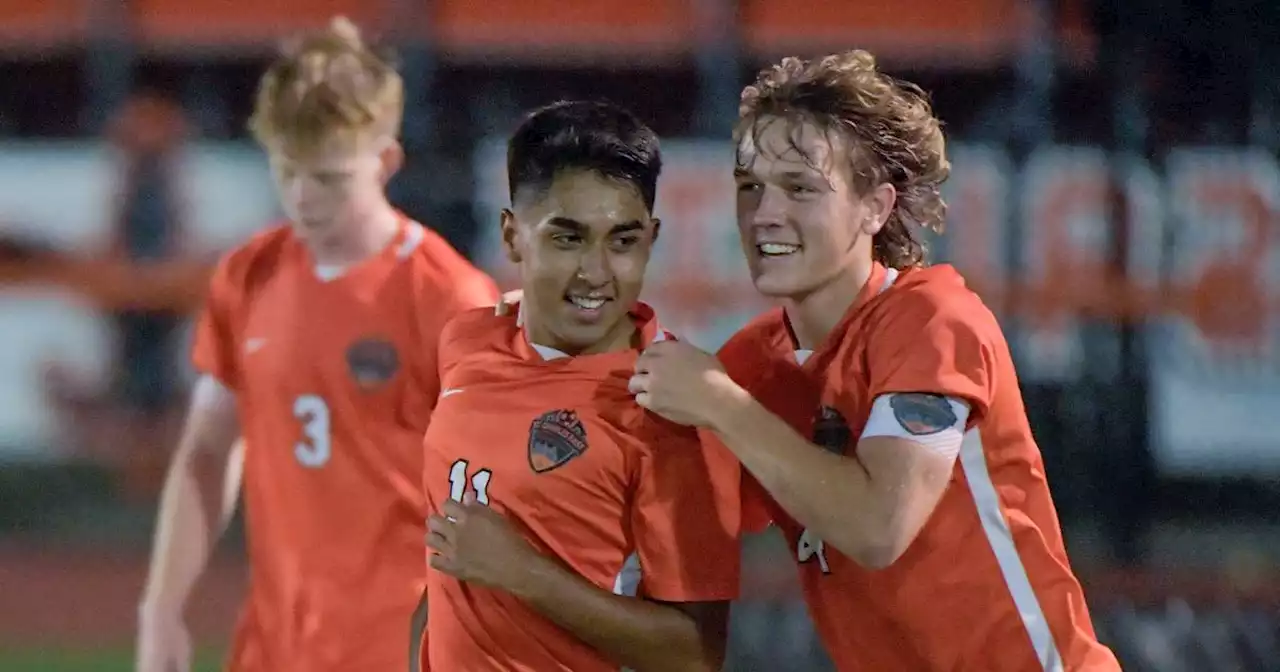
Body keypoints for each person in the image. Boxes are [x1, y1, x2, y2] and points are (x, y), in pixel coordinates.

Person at [627, 51, 1122, 670]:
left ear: (875, 207)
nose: (765, 213)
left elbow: (878, 527)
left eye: (800, 188)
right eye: (750, 186)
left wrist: (722, 404)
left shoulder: (933, 320)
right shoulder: (752, 364)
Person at [135, 17, 497, 672]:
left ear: (385, 160)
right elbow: (209, 449)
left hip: (401, 649)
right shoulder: (248, 277)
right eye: (288, 171)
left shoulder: (447, 297)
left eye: (328, 178)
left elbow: (499, 490)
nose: (303, 198)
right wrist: (161, 608)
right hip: (274, 646)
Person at [420, 100, 740, 672]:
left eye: (622, 241)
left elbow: (696, 653)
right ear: (513, 238)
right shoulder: (468, 342)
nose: (596, 273)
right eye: (567, 239)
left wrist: (523, 573)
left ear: (653, 238)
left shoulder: (670, 408)